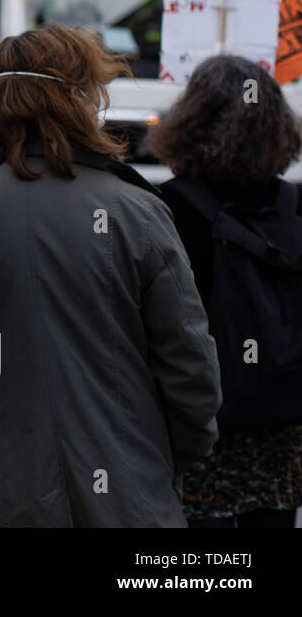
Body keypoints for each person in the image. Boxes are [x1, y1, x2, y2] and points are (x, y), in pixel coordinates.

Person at [0, 24, 221, 527]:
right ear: (81, 100)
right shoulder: (136, 211)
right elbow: (191, 367)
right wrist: (160, 462)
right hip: (130, 498)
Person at [149, 54, 302, 529]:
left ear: (192, 119)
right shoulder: (295, 205)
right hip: (283, 412)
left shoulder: (172, 206)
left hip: (203, 420)